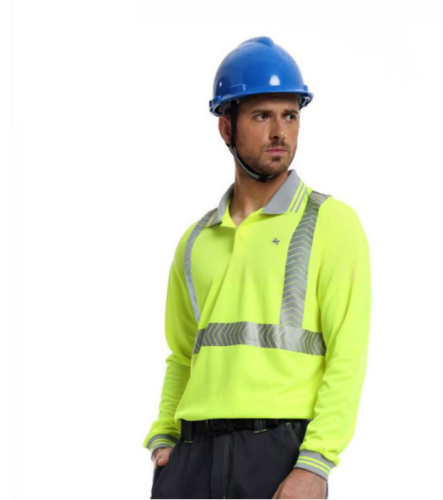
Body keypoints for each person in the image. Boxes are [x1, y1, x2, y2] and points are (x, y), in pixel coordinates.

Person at [143, 36, 372, 499]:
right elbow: (182, 355)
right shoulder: (195, 241)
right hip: (191, 456)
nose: (280, 132)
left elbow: (347, 357)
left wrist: (316, 463)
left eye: (290, 115)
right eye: (262, 116)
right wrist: (165, 435)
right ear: (226, 127)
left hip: (277, 455)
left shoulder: (330, 223)